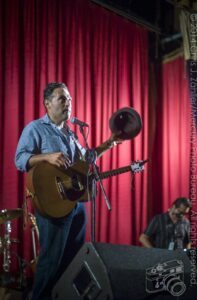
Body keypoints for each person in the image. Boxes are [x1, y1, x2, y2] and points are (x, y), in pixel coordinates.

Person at [15, 82, 122, 300]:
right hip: (53, 206)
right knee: (51, 261)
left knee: (74, 260)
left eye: (70, 99)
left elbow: (86, 159)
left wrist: (108, 144)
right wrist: (47, 156)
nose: (68, 103)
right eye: (62, 98)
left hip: (76, 204)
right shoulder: (35, 129)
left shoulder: (72, 134)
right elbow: (19, 159)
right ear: (47, 103)